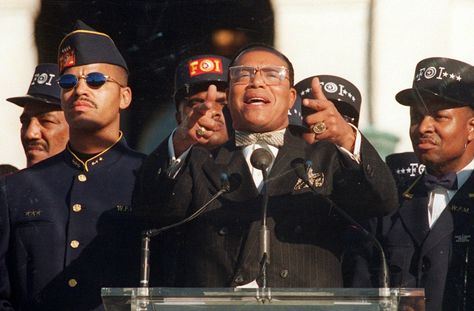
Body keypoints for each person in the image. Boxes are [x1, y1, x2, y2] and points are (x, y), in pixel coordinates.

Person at [141, 44, 398, 288]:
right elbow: (150, 209)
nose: (257, 81)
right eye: (243, 75)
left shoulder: (325, 156)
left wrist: (347, 137)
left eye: (272, 74)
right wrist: (180, 141)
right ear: (229, 96)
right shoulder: (200, 159)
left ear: (291, 97)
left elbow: (381, 201)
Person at [0, 21, 145, 311]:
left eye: (95, 81)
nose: (80, 89)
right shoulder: (16, 188)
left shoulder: (150, 177)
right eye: (67, 83)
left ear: (125, 97)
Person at [358, 57, 474, 310]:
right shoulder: (390, 202)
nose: (423, 127)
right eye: (416, 116)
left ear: (471, 127)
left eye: (439, 117)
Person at [136, 54, 231, 209]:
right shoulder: (158, 163)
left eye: (223, 103)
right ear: (179, 117)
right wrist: (180, 143)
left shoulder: (258, 158)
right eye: (198, 103)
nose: (212, 110)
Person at [6, 63, 69, 167]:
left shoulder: (99, 182)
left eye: (46, 121)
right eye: (25, 122)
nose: (30, 134)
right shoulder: (7, 182)